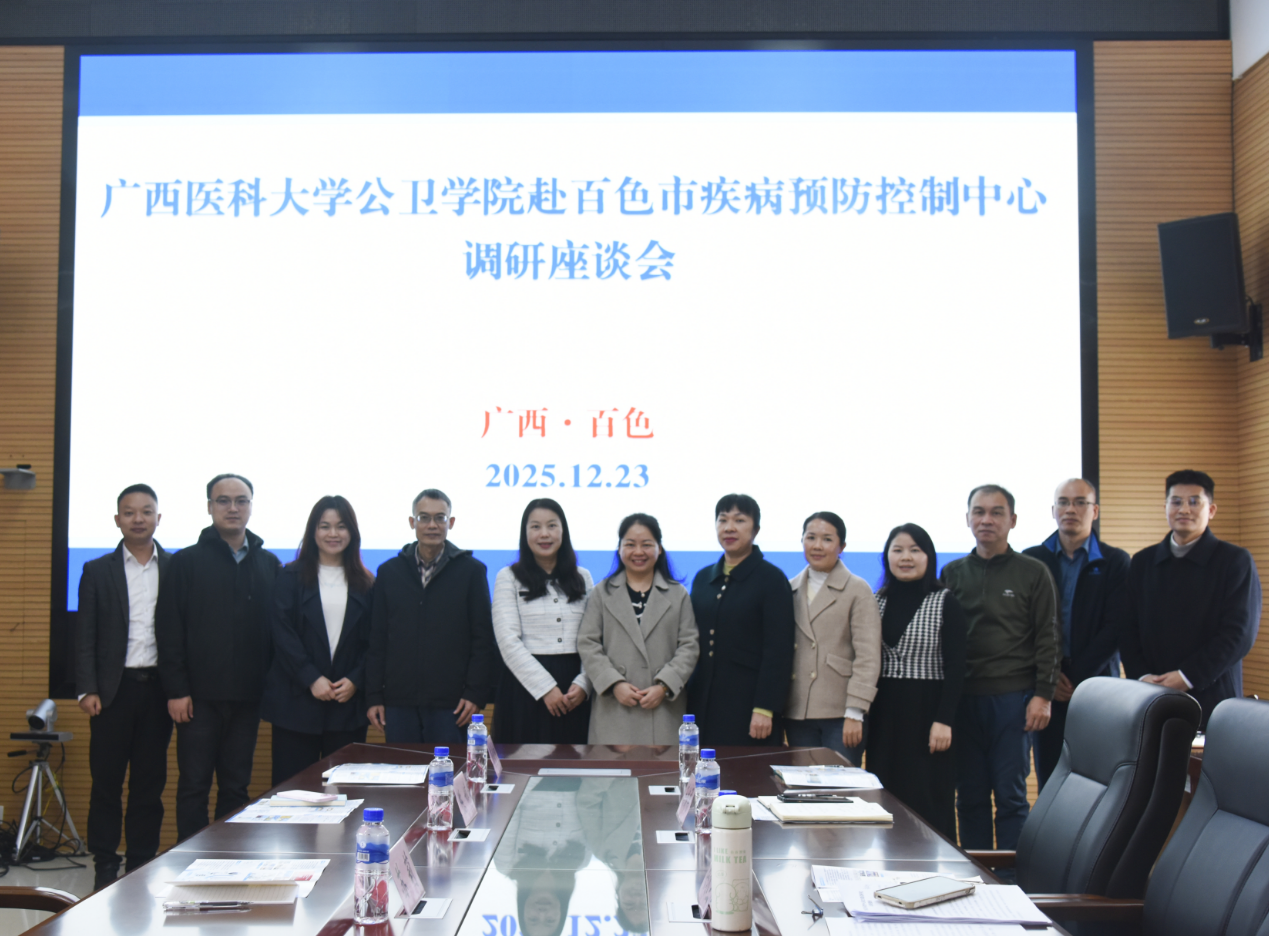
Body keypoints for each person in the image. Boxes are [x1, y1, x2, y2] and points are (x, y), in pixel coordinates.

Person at [157, 473, 281, 841]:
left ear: (251, 507)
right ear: (210, 507)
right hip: (197, 699)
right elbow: (169, 629)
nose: (233, 508)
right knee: (194, 786)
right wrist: (176, 690)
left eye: (241, 501)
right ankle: (190, 859)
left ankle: (228, 858)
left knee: (236, 787)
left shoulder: (269, 564)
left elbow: (277, 634)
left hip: (248, 699)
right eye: (223, 500)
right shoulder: (186, 562)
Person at [940, 484, 1059, 852]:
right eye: (979, 512)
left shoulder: (1033, 572)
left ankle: (1011, 878)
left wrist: (1043, 695)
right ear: (967, 519)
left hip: (1013, 701)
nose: (986, 520)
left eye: (996, 512)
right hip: (964, 702)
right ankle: (977, 873)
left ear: (1013, 520)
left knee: (1011, 797)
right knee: (969, 795)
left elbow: (1049, 636)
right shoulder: (952, 573)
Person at [75, 484, 173, 890]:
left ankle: (139, 864)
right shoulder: (97, 570)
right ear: (117, 520)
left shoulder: (175, 568)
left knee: (149, 785)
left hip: (158, 691)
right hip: (111, 693)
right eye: (129, 512)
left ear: (158, 518)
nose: (138, 519)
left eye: (146, 511)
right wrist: (87, 688)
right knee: (106, 784)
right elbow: (85, 634)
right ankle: (104, 865)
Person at [1120, 470, 1261, 729]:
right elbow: (1127, 628)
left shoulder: (1234, 561)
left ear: (1212, 510)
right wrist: (1142, 676)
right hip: (1151, 694)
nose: (1184, 509)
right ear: (1165, 507)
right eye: (1176, 502)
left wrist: (1187, 677)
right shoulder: (1142, 562)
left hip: (1212, 697)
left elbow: (1239, 634)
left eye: (1194, 501)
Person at [364, 489, 495, 745]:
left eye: (440, 518)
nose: (432, 525)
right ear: (412, 522)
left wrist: (475, 693)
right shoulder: (389, 572)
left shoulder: (472, 572)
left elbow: (483, 639)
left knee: (449, 769)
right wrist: (373, 696)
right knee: (403, 769)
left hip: (453, 705)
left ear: (451, 522)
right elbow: (377, 639)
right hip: (398, 702)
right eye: (424, 517)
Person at [1022, 479, 1129, 789]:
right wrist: (1049, 677)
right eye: (1063, 502)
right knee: (1050, 779)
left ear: (1094, 511)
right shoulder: (1031, 559)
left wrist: (1075, 677)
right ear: (1053, 510)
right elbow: (1023, 626)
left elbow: (1117, 626)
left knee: (1096, 781)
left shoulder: (1115, 561)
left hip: (1097, 687)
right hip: (1045, 687)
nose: (1071, 509)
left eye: (1080, 502)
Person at [261, 495, 374, 786]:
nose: (333, 534)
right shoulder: (289, 576)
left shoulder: (367, 583)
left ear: (352, 532)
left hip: (346, 704)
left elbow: (375, 641)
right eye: (325, 526)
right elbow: (282, 634)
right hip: (296, 704)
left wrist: (356, 679)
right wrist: (310, 677)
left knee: (346, 793)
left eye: (341, 526)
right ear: (313, 531)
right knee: (293, 792)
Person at [866, 523, 966, 841]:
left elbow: (957, 667)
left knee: (928, 798)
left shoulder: (945, 601)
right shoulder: (875, 601)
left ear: (929, 557)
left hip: (928, 714)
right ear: (887, 557)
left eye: (914, 550)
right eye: (897, 550)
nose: (905, 557)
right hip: (884, 718)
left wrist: (944, 720)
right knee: (885, 798)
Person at [578, 513, 700, 745]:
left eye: (646, 544)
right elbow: (588, 643)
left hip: (663, 709)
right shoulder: (602, 593)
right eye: (630, 544)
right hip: (614, 709)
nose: (638, 552)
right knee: (612, 767)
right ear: (619, 549)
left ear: (659, 549)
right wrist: (614, 683)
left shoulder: (678, 594)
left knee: (661, 767)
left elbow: (689, 646)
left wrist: (664, 686)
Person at [687, 494, 795, 747]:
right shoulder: (703, 578)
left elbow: (778, 650)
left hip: (749, 707)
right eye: (722, 520)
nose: (729, 528)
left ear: (756, 529)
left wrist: (765, 707)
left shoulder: (772, 579)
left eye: (739, 520)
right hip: (703, 703)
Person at [493, 498, 594, 743]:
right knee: (525, 763)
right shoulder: (508, 577)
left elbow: (594, 638)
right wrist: (545, 688)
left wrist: (584, 684)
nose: (544, 534)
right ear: (525, 533)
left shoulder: (583, 577)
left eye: (552, 525)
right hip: (525, 688)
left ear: (563, 531)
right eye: (535, 527)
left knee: (577, 763)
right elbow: (508, 640)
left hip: (575, 690)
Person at [784, 511, 881, 764]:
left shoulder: (858, 589)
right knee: (801, 784)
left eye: (827, 539)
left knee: (840, 785)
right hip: (798, 712)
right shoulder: (789, 588)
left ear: (842, 546)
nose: (817, 546)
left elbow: (868, 656)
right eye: (811, 537)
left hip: (841, 713)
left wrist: (855, 711)